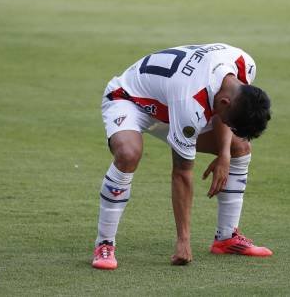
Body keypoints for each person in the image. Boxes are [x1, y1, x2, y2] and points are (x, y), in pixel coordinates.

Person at [92, 43, 273, 270]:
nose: (227, 125)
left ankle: (226, 238)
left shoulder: (243, 64)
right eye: (229, 123)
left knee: (240, 147)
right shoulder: (190, 103)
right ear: (225, 104)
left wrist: (225, 154)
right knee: (129, 154)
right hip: (131, 100)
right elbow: (181, 172)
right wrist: (183, 240)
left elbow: (222, 111)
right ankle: (105, 243)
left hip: (172, 102)